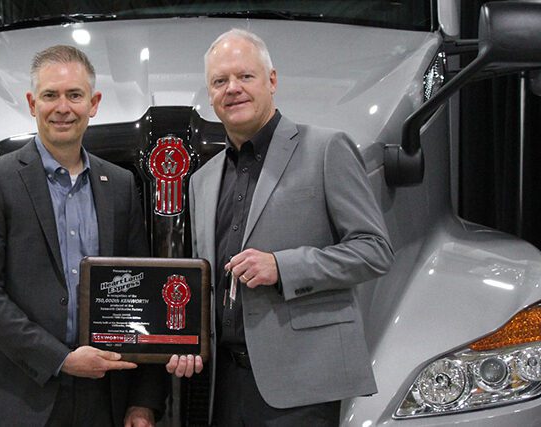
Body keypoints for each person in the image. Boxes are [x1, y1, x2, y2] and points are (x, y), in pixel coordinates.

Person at [166, 29, 394, 426]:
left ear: (272, 80)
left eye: (245, 77)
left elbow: (373, 250)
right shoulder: (202, 179)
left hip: (302, 381)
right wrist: (188, 340)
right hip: (221, 384)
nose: (232, 89)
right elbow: (204, 282)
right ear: (210, 95)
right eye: (220, 81)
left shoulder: (327, 148)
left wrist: (282, 266)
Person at [0, 45, 166, 427]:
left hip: (104, 396)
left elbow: (144, 294)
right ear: (31, 102)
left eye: (74, 95)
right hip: (20, 397)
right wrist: (60, 359)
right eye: (50, 95)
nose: (62, 107)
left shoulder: (120, 185)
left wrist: (143, 401)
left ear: (94, 102)